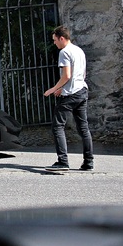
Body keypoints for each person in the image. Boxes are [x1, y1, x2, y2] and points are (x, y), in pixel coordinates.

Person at [43, 26, 94, 171]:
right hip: (82, 90)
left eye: (55, 40)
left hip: (70, 95)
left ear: (62, 38)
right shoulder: (79, 50)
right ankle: (88, 162)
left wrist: (53, 89)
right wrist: (62, 87)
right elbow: (81, 74)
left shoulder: (64, 52)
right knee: (84, 128)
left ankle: (63, 161)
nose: (54, 43)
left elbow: (67, 75)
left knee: (57, 126)